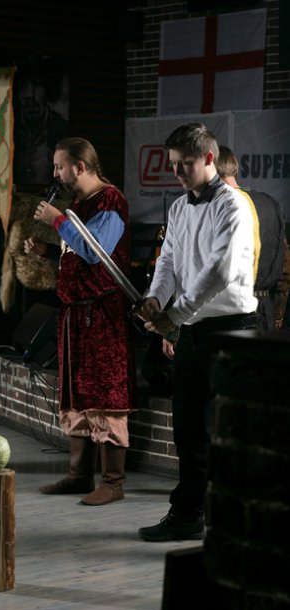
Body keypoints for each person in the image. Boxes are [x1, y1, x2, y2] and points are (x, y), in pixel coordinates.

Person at [135, 123, 258, 541]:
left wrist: (175, 315)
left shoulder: (233, 205)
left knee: (231, 430)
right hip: (192, 331)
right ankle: (188, 514)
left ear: (209, 158)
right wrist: (156, 299)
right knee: (188, 431)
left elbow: (220, 272)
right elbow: (168, 261)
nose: (176, 172)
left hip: (232, 331)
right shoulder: (178, 207)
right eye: (172, 164)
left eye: (184, 163)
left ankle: (238, 520)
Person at [24, 137, 135, 506]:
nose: (55, 174)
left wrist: (56, 220)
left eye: (59, 166)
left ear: (80, 167)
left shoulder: (110, 201)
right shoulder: (78, 205)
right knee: (77, 395)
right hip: (75, 315)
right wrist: (48, 251)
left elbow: (94, 250)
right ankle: (79, 475)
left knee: (105, 394)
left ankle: (113, 482)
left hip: (101, 315)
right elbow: (76, 253)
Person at [216, 145, 290, 331]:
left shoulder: (217, 207)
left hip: (226, 314)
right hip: (265, 311)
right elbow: (285, 265)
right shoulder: (270, 203)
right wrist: (278, 315)